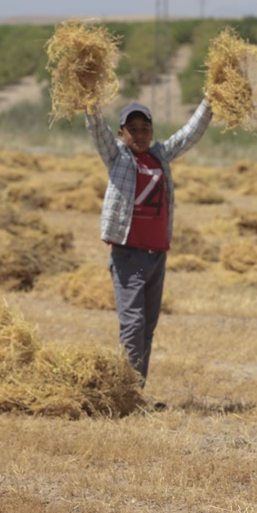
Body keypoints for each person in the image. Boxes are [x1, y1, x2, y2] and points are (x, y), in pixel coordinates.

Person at [86, 99, 214, 386]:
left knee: (147, 327)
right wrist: (90, 103)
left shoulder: (160, 156)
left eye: (145, 128)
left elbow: (189, 134)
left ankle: (137, 389)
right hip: (129, 255)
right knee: (133, 323)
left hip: (156, 255)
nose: (140, 134)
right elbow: (97, 131)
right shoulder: (117, 157)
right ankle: (127, 390)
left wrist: (209, 102)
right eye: (133, 129)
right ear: (122, 134)